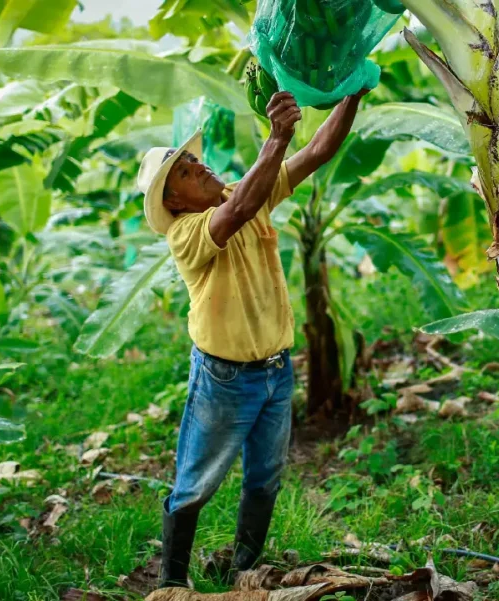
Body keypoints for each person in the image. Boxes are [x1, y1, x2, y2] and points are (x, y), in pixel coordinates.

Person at [135, 89, 369, 589]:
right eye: (183, 171)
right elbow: (240, 209)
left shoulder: (243, 191)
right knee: (195, 484)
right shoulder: (188, 231)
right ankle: (171, 581)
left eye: (193, 159)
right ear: (173, 202)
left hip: (276, 371)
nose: (197, 167)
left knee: (265, 478)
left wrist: (353, 92)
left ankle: (244, 570)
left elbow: (317, 152)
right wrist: (277, 136)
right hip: (224, 378)